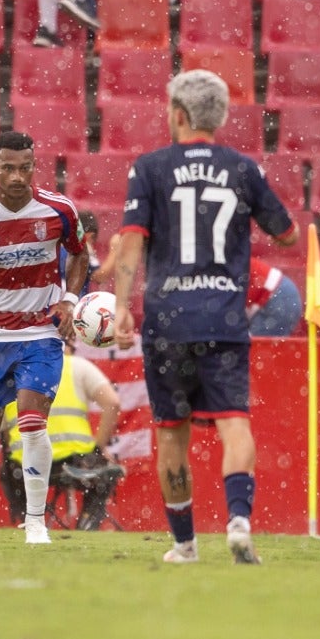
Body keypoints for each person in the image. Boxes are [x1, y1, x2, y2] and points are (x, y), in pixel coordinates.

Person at [112, 70, 298, 565]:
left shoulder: (149, 167)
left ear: (178, 114)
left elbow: (131, 239)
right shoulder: (243, 168)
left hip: (169, 320)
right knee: (236, 423)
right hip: (224, 320)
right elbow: (288, 235)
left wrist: (121, 305)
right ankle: (238, 520)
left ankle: (185, 544)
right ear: (217, 117)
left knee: (171, 432)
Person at [0, 130, 88, 546]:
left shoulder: (58, 210)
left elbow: (80, 254)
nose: (16, 176)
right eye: (8, 167)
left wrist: (69, 300)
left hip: (42, 332)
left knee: (31, 422)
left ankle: (36, 520)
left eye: (25, 168)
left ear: (33, 167)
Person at [0, 348, 125, 530]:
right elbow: (112, 403)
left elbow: (1, 429)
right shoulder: (77, 366)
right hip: (78, 464)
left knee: (7, 470)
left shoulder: (11, 373)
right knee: (104, 474)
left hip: (25, 464)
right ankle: (87, 526)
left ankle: (31, 522)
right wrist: (98, 449)